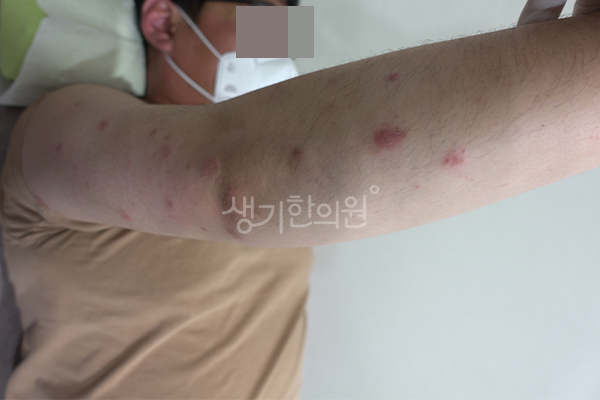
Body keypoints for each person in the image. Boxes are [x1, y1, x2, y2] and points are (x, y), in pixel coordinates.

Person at [1, 0, 600, 398]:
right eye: (263, 19)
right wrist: (570, 73)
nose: (278, 46)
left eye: (289, 29)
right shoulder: (65, 124)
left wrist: (535, 72)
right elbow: (232, 185)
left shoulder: (284, 181)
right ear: (164, 23)